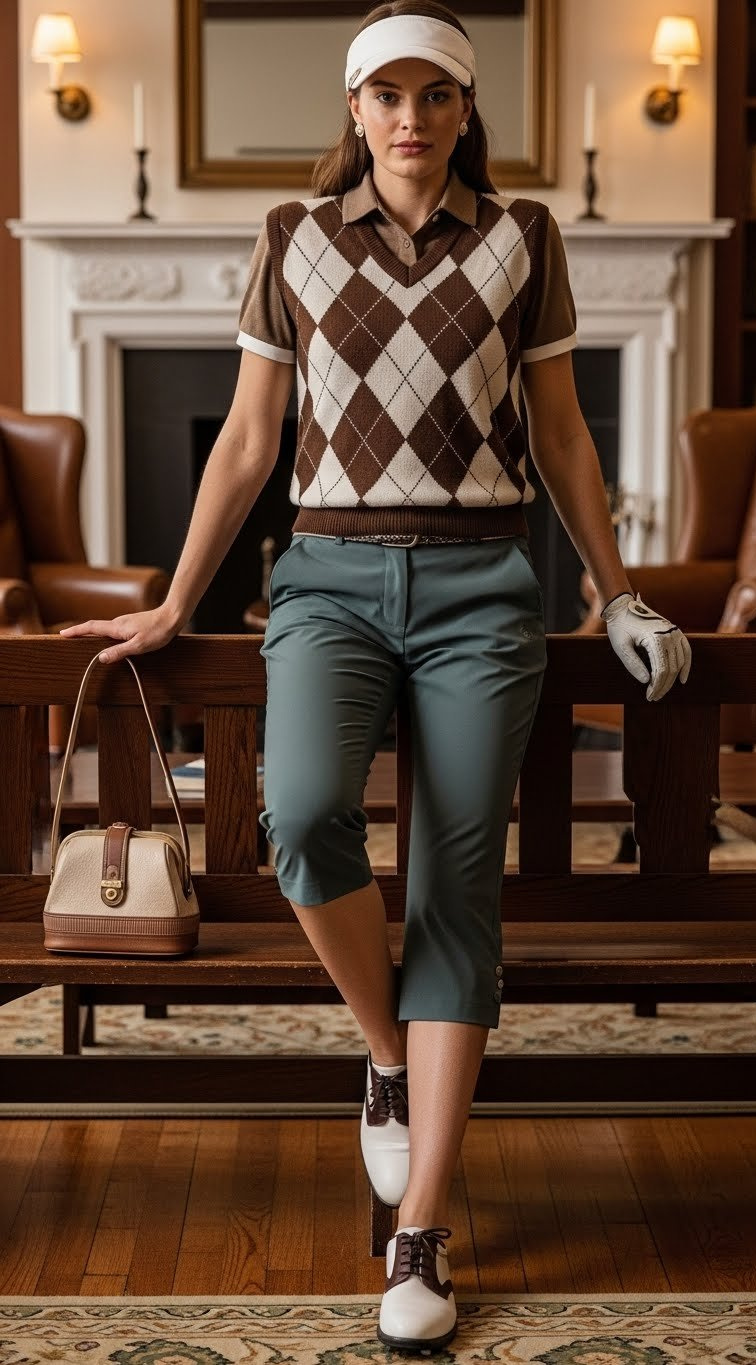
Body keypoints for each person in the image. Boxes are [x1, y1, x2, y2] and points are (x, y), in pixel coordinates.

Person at [60, 0, 692, 1352]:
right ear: (352, 112)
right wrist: (174, 599)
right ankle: (395, 1058)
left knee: (457, 881)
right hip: (330, 580)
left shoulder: (525, 238)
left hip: (481, 587)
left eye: (437, 95)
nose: (411, 117)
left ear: (468, 111)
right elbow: (245, 442)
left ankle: (423, 1236)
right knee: (300, 818)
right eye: (386, 95)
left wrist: (620, 592)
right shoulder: (292, 240)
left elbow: (567, 440)